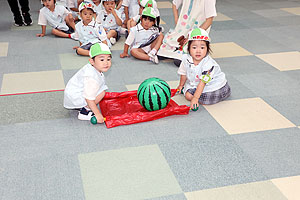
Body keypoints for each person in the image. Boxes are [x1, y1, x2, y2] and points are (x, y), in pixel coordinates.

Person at [176, 28, 231, 109]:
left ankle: (219, 95)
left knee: (190, 96)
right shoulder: (186, 59)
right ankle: (197, 94)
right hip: (199, 85)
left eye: (202, 48)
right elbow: (183, 73)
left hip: (216, 86)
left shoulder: (208, 64)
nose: (198, 51)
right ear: (189, 48)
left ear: (207, 49)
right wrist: (181, 85)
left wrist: (195, 98)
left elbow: (203, 82)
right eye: (194, 48)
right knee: (188, 94)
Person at [64, 43, 112, 123]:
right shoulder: (91, 78)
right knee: (102, 92)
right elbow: (89, 98)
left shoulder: (93, 67)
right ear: (92, 61)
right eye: (102, 60)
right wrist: (98, 114)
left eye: (108, 59)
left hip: (75, 94)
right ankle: (85, 111)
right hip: (75, 98)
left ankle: (82, 106)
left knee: (100, 88)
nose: (106, 63)